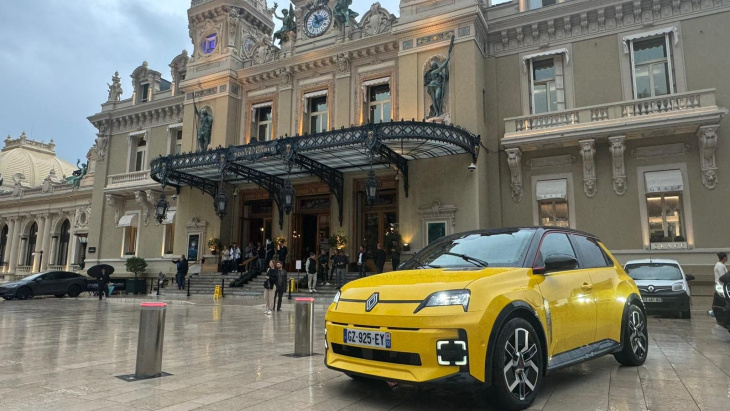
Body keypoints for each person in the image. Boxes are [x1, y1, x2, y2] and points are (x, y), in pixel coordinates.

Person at [710, 252, 728, 316]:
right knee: (722, 298)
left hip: (719, 285)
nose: (727, 258)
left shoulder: (719, 265)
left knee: (718, 298)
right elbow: (722, 276)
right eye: (726, 257)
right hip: (721, 285)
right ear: (724, 258)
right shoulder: (720, 266)